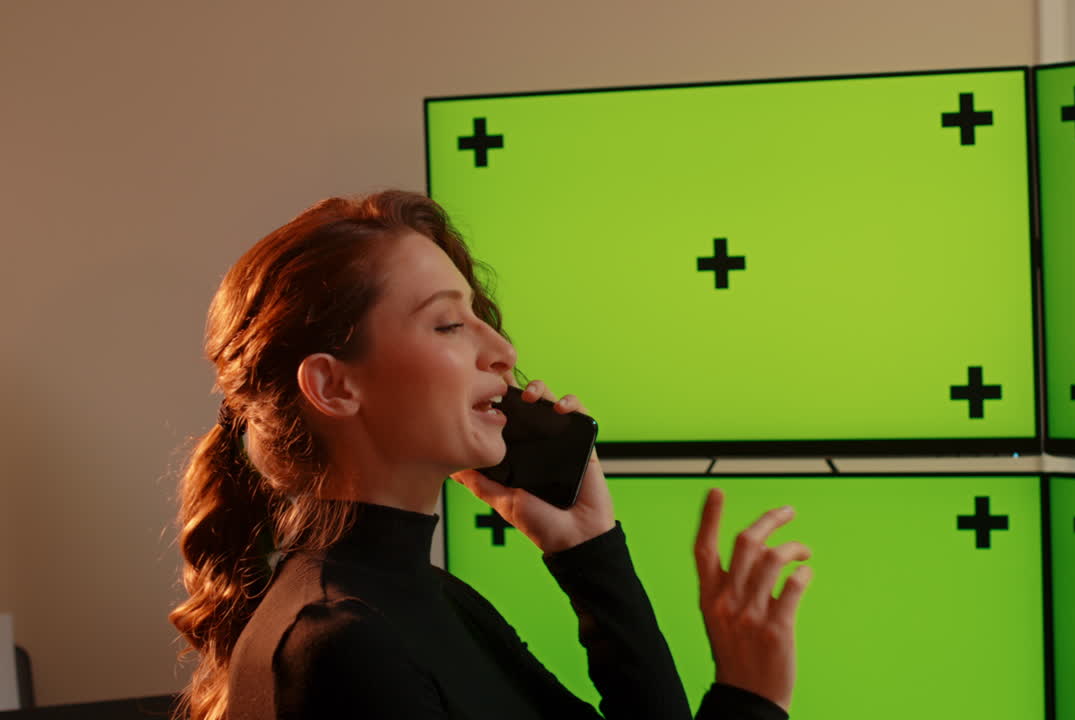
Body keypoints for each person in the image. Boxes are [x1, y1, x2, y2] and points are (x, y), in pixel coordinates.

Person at [169, 190, 813, 720]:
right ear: (333, 386)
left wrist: (588, 551)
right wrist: (749, 700)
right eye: (449, 324)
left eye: (479, 316)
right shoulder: (340, 646)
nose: (503, 351)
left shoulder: (431, 602)